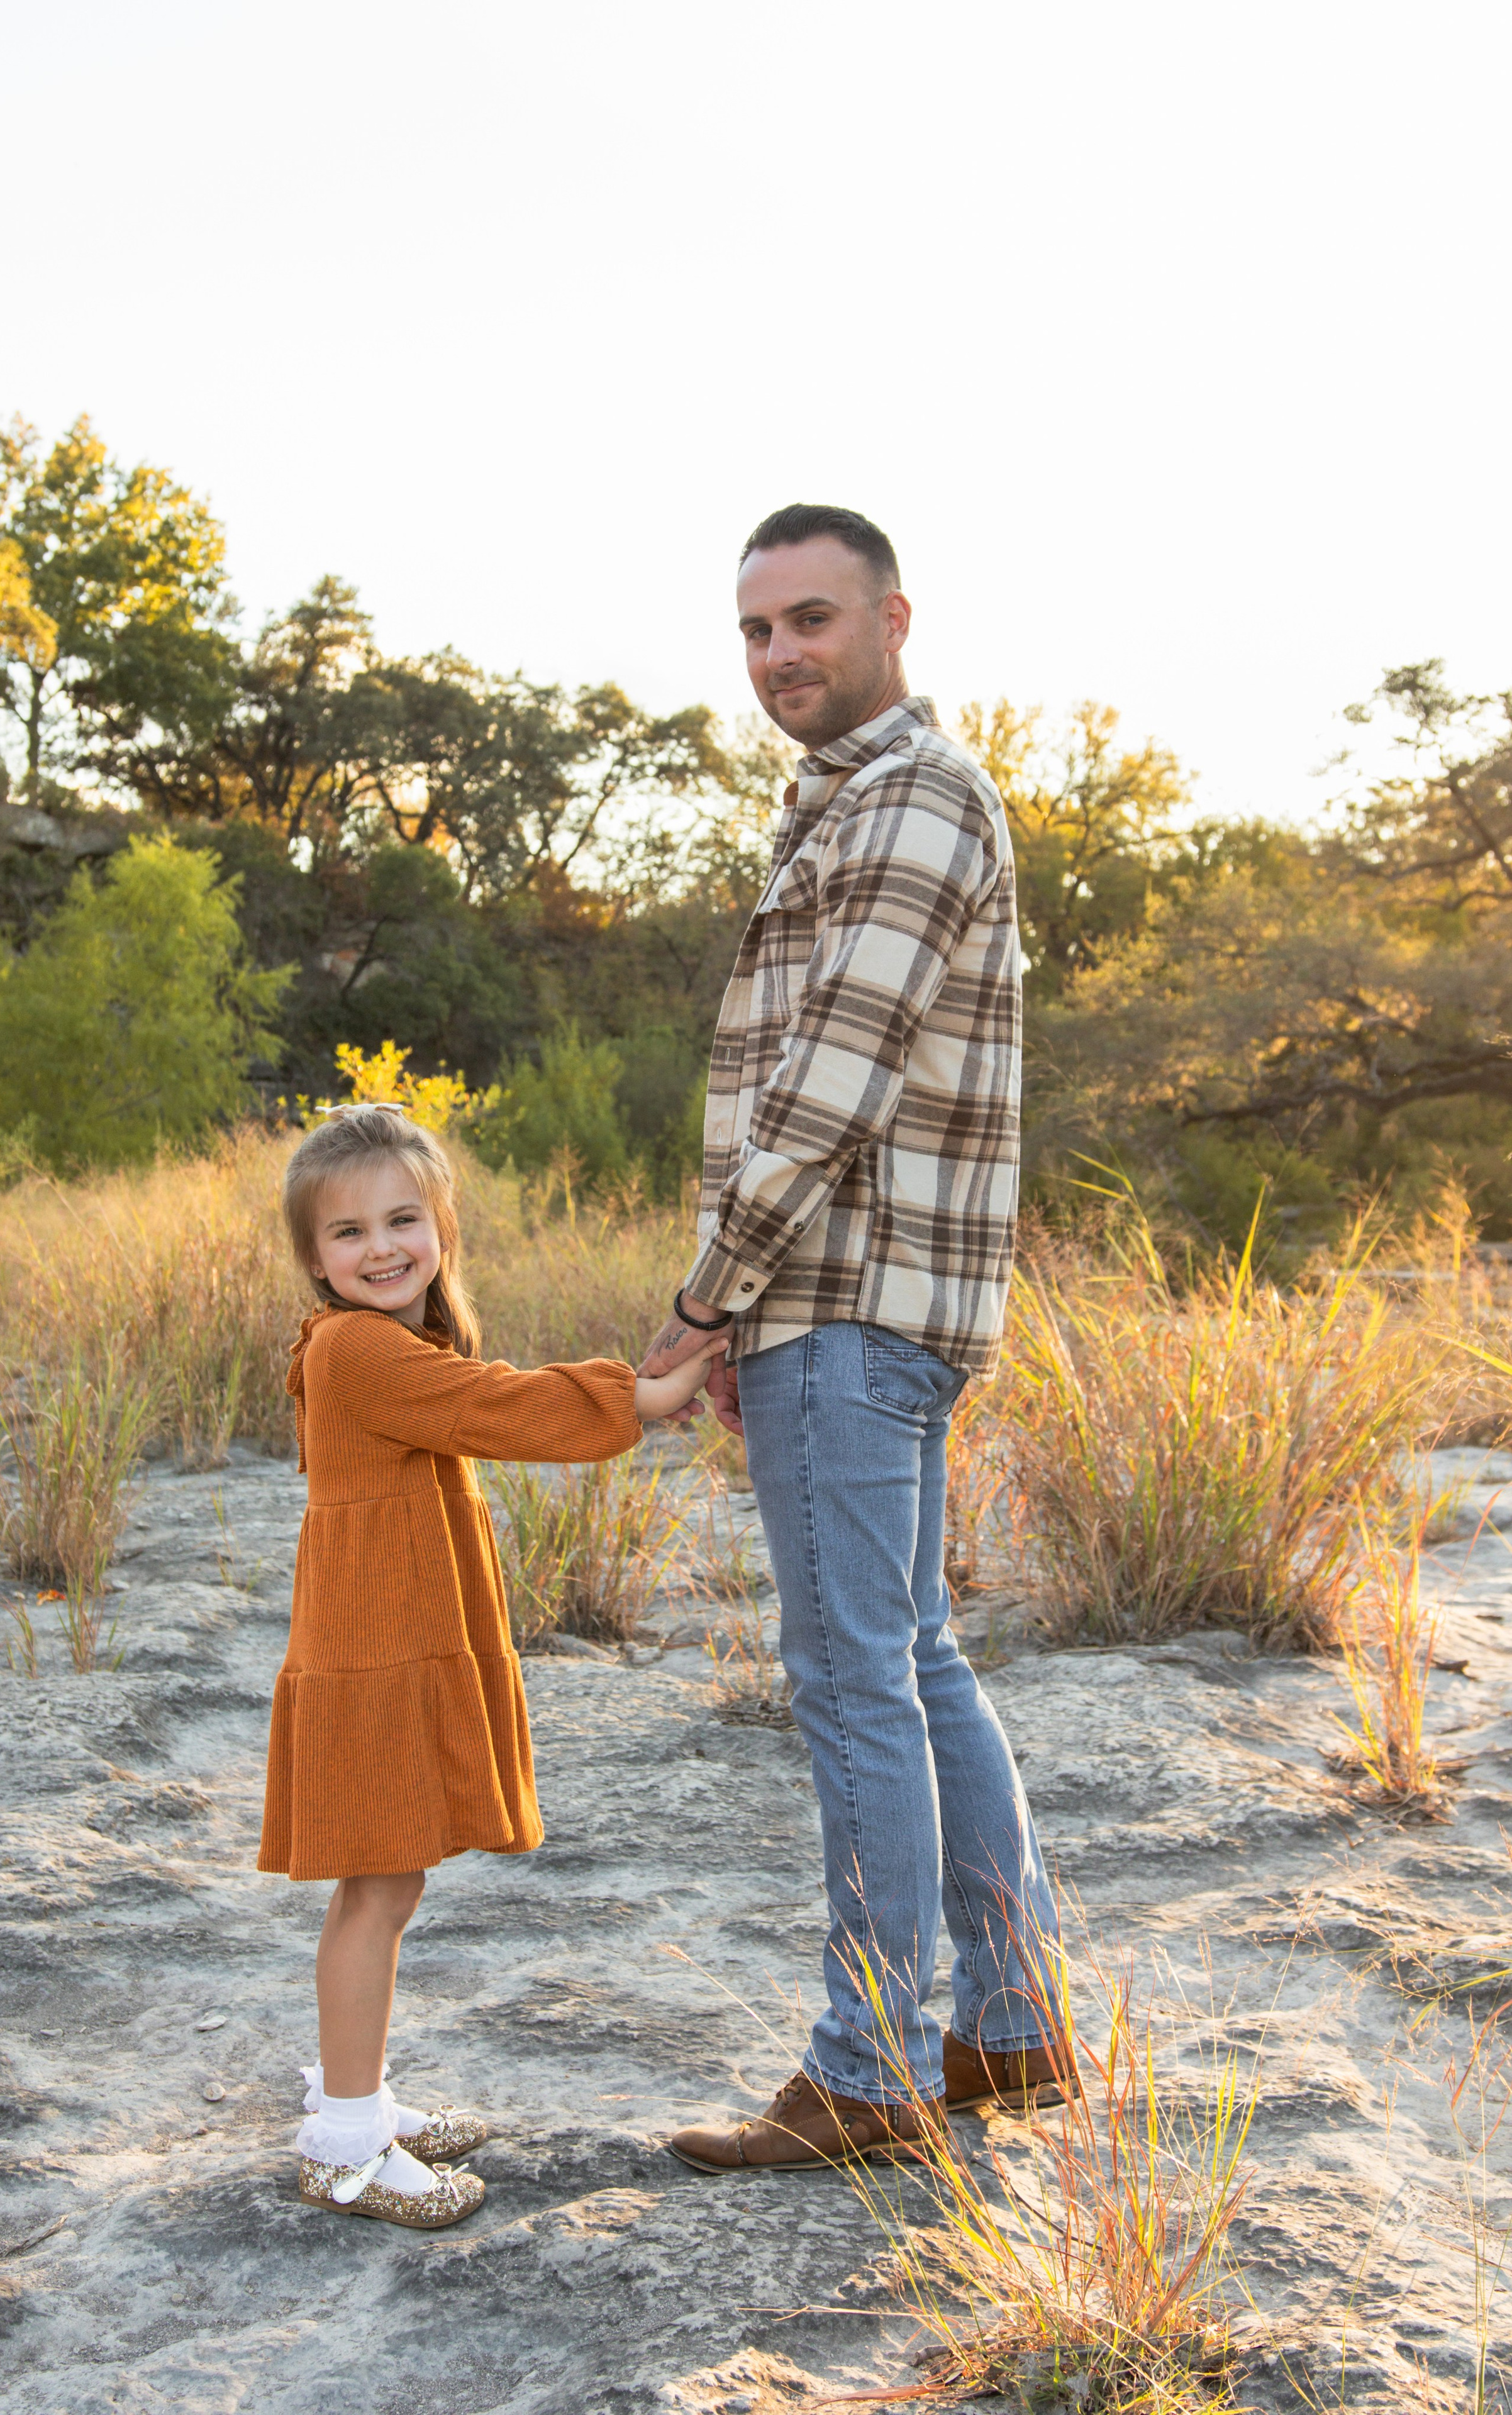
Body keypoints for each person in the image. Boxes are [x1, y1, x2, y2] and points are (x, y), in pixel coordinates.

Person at [642, 503, 1071, 2175]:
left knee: (852, 1684)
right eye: (755, 631)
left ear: (893, 618)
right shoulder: (857, 801)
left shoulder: (910, 800)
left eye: (809, 619)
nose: (778, 656)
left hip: (845, 1303)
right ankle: (1013, 2031)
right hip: (859, 1310)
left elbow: (825, 1094)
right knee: (914, 1659)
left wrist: (706, 1304)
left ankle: (871, 2071)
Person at [258, 1102, 726, 2228]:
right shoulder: (358, 1348)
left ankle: (358, 2100)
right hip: (373, 1660)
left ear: (442, 1226)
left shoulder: (395, 1343)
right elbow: (498, 1406)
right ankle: (344, 2147)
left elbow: (476, 1395)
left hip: (390, 1647)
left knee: (389, 1884)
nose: (381, 1249)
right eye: (348, 1233)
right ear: (314, 1257)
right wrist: (646, 1396)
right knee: (377, 1890)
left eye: (403, 1221)